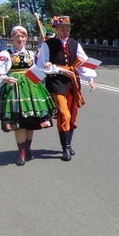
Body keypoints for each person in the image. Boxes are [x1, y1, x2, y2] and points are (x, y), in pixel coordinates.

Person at [0, 25, 57, 166]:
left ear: (26, 38)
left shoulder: (30, 54)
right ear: (12, 37)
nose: (20, 39)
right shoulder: (5, 54)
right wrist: (5, 78)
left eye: (23, 36)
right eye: (17, 36)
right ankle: (21, 151)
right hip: (14, 89)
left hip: (31, 88)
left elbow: (37, 70)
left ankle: (28, 148)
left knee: (30, 122)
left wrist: (47, 66)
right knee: (19, 123)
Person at [36, 15, 96, 161]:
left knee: (72, 115)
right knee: (64, 114)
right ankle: (65, 148)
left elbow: (83, 63)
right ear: (56, 29)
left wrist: (90, 78)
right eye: (62, 29)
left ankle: (68, 145)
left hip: (72, 83)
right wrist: (58, 69)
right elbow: (41, 67)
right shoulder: (47, 45)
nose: (65, 32)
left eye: (68, 29)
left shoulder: (75, 44)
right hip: (56, 82)